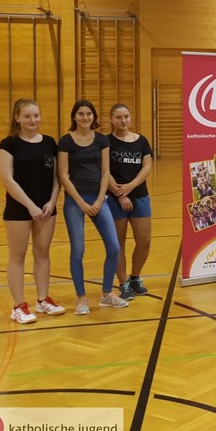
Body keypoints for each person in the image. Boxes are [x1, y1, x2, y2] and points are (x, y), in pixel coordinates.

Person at [0, 99, 64, 324]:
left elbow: (57, 177)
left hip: (46, 208)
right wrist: (30, 206)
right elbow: (8, 180)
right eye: (27, 116)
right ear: (17, 118)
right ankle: (19, 306)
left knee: (42, 253)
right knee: (18, 256)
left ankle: (43, 299)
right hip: (19, 208)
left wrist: (52, 201)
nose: (32, 120)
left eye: (36, 115)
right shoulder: (9, 145)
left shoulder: (50, 143)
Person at [58, 99, 128, 314]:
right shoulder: (66, 141)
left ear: (94, 117)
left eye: (89, 114)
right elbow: (63, 175)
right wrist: (81, 202)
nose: (85, 117)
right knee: (78, 250)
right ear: (74, 116)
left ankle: (107, 294)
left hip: (98, 199)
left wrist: (98, 200)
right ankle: (81, 298)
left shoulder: (101, 140)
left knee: (114, 247)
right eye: (81, 114)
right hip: (75, 201)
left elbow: (106, 172)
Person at [106, 103, 153, 301]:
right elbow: (104, 171)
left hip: (139, 195)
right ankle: (123, 282)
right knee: (118, 244)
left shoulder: (141, 141)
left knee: (144, 240)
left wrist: (130, 187)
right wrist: (120, 194)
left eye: (126, 116)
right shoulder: (106, 142)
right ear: (111, 119)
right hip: (114, 197)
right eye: (118, 117)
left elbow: (147, 167)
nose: (123, 120)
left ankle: (135, 278)